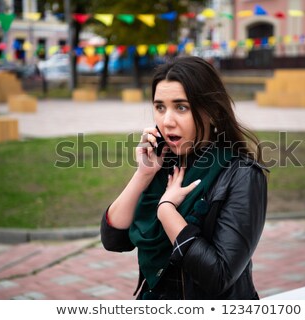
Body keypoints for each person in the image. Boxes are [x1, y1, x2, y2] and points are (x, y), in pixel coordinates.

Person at [101, 56, 268, 299]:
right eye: (160, 107)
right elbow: (114, 239)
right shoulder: (163, 164)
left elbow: (218, 276)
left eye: (181, 107)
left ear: (211, 111)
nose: (167, 121)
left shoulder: (242, 175)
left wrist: (167, 211)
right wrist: (143, 175)